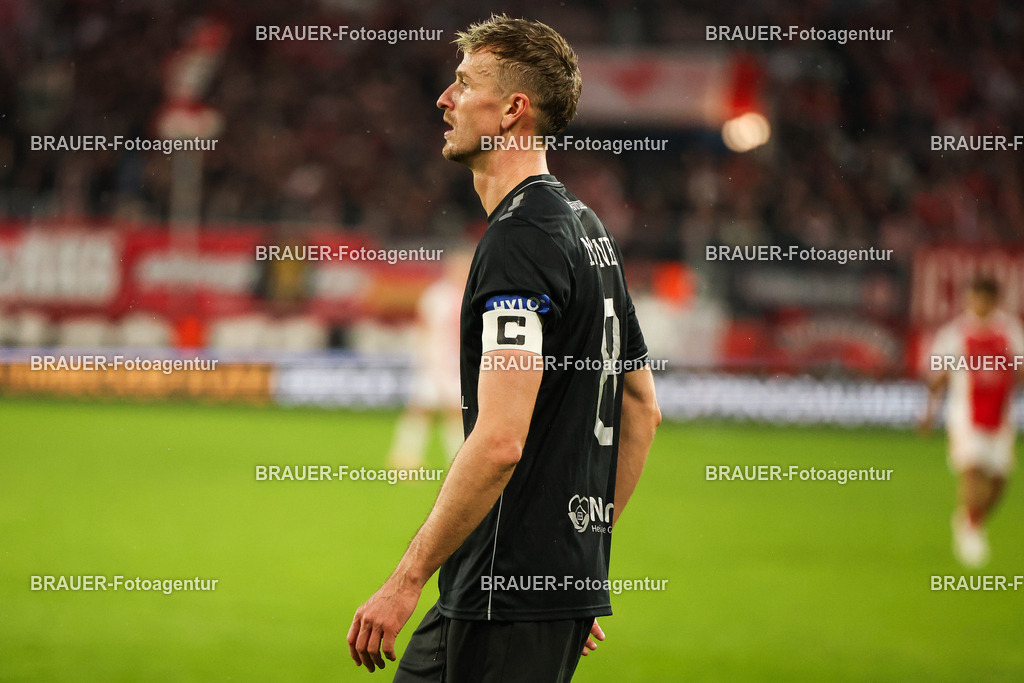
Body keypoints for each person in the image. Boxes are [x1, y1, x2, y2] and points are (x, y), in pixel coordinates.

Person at [347, 14, 661, 680]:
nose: (444, 99)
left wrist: (405, 580)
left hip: (507, 593)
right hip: (499, 587)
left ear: (514, 109)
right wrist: (576, 567)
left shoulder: (520, 241)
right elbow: (641, 407)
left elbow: (499, 440)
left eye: (464, 84)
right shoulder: (588, 228)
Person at [921, 276, 1024, 567]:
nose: (978, 304)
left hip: (1001, 417)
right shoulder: (954, 335)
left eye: (984, 298)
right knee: (973, 469)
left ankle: (969, 520)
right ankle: (971, 530)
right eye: (974, 297)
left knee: (1000, 480)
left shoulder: (1011, 332)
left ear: (994, 300)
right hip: (965, 416)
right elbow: (937, 378)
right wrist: (929, 412)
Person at [388, 248, 472, 470]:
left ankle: (458, 460)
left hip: (456, 364)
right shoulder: (438, 295)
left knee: (456, 412)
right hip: (435, 362)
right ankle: (404, 457)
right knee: (422, 409)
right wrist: (426, 357)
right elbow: (424, 328)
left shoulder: (469, 293)